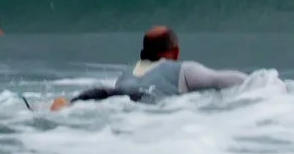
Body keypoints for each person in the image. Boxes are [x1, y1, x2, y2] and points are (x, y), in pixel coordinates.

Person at [49, 26, 245, 109]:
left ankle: (60, 104)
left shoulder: (128, 72)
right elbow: (221, 79)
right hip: (142, 100)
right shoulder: (184, 70)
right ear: (175, 52)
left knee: (73, 105)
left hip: (104, 94)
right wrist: (266, 83)